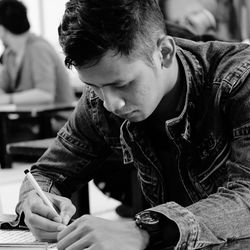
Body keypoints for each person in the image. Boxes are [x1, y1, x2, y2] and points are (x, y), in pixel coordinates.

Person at [16, 0, 250, 249]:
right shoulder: (101, 97)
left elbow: (246, 196)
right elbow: (45, 173)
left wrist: (146, 230)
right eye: (94, 87)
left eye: (122, 84)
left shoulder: (238, 79)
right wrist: (35, 202)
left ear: (164, 53)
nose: (111, 104)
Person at [0, 0, 74, 106]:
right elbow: (2, 88)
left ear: (2, 28)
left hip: (55, 119)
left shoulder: (39, 48)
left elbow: (45, 95)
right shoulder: (9, 54)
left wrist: (8, 99)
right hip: (27, 119)